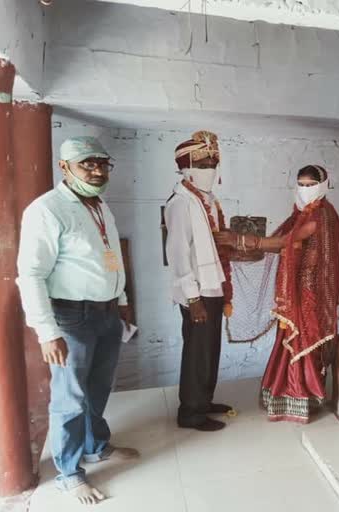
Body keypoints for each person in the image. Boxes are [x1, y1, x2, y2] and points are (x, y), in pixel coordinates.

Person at [17, 136, 139, 505]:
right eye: (88, 164)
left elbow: (111, 257)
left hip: (105, 314)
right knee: (69, 399)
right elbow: (31, 274)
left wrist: (121, 302)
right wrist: (46, 331)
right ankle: (69, 473)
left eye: (102, 164)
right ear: (64, 167)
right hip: (70, 318)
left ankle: (95, 447)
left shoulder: (101, 207)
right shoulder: (47, 210)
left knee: (98, 388)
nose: (98, 171)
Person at [215, 165, 339, 423]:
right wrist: (244, 247)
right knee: (289, 336)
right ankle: (286, 392)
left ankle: (302, 397)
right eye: (301, 184)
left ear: (324, 185)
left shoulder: (322, 215)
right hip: (294, 288)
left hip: (311, 292)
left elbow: (290, 241)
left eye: (310, 184)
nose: (305, 190)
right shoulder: (300, 214)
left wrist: (243, 241)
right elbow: (285, 239)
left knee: (303, 339)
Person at [164, 131, 234, 432]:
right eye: (203, 162)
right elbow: (178, 254)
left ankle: (203, 401)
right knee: (197, 352)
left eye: (213, 161)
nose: (210, 168)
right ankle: (190, 412)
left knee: (209, 349)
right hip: (197, 293)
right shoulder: (181, 203)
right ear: (186, 166)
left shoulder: (207, 199)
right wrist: (193, 299)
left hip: (212, 286)